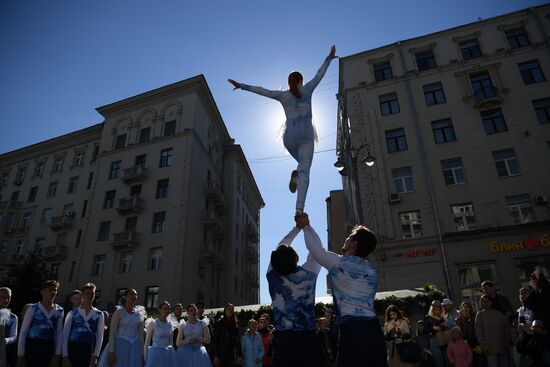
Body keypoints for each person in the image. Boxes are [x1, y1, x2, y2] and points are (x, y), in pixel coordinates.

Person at [228, 45, 337, 214]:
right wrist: (329, 58)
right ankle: (299, 208)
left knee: (301, 167)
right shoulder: (307, 89)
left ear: (288, 82)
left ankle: (296, 175)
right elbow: (320, 74)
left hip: (289, 137)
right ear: (301, 80)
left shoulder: (283, 95)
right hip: (306, 133)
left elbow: (262, 91)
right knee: (304, 170)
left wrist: (241, 85)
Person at [299, 213, 387, 367]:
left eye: (350, 236)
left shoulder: (340, 263)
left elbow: (314, 249)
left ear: (354, 244)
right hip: (374, 329)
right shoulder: (372, 269)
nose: (346, 238)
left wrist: (305, 226)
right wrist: (308, 226)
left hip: (353, 329)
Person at [265, 219, 323, 367]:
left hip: (283, 341)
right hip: (307, 339)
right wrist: (306, 226)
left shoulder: (272, 277)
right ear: (296, 258)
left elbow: (280, 248)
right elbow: (317, 249)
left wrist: (296, 229)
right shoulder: (309, 275)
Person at [17, 280, 64, 367]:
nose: (53, 292)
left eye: (55, 290)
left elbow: (59, 334)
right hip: (32, 348)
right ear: (42, 291)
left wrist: (57, 355)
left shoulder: (59, 310)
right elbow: (23, 332)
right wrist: (20, 355)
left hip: (48, 350)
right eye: (50, 290)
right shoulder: (33, 308)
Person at [97, 288, 145, 367]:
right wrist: (111, 352)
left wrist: (142, 354)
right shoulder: (119, 312)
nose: (133, 296)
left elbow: (141, 337)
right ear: (125, 297)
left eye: (135, 294)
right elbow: (112, 333)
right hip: (119, 346)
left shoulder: (139, 315)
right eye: (131, 294)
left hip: (134, 348)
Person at [62, 282, 105, 367]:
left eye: (92, 293)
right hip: (72, 350)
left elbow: (100, 336)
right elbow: (65, 335)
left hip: (88, 351)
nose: (90, 296)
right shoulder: (72, 313)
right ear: (82, 294)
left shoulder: (99, 314)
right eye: (87, 293)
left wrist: (95, 356)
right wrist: (65, 356)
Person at [475, 295, 510, 367]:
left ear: (491, 303)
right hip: (489, 347)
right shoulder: (480, 314)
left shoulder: (498, 313)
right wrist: (482, 343)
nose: (485, 303)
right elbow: (478, 330)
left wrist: (507, 342)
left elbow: (506, 327)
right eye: (483, 301)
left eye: (487, 301)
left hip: (502, 345)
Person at [144, 301, 178, 367]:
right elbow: (147, 342)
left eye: (168, 309)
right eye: (165, 308)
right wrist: (145, 358)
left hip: (168, 353)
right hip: (155, 354)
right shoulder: (153, 323)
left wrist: (172, 355)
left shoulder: (170, 324)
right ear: (160, 310)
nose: (167, 310)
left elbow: (171, 343)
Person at [454, 302, 483, 367]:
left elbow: (478, 329)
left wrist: (470, 319)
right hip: (466, 345)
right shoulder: (458, 320)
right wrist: (464, 320)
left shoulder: (475, 316)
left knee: (480, 361)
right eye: (463, 307)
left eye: (467, 307)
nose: (465, 309)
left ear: (470, 308)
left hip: (477, 343)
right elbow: (461, 334)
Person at [423, 300, 448, 367]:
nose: (437, 310)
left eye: (439, 308)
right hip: (434, 340)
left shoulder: (443, 317)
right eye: (435, 308)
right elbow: (424, 330)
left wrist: (444, 326)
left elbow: (446, 329)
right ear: (432, 308)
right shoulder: (428, 318)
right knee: (438, 359)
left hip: (444, 338)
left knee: (447, 358)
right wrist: (433, 328)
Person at [0, 287, 17, 367]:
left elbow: (14, 336)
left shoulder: (13, 317)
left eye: (8, 297)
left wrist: (5, 341)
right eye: (3, 297)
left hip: (3, 354)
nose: (6, 300)